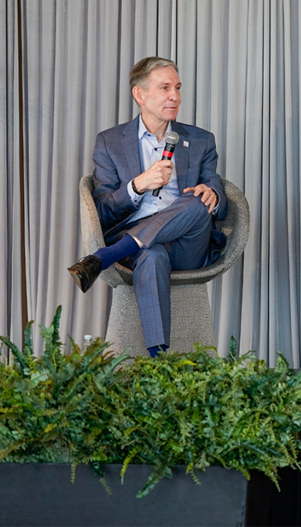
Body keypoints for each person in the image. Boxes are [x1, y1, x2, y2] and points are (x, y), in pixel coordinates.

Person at [68, 57, 227, 357]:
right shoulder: (111, 142)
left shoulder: (201, 140)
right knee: (151, 255)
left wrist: (213, 194)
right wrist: (137, 185)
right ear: (140, 95)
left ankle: (106, 256)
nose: (175, 96)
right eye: (165, 87)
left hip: (187, 243)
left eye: (177, 88)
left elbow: (217, 189)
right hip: (140, 249)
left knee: (195, 200)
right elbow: (101, 210)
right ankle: (159, 360)